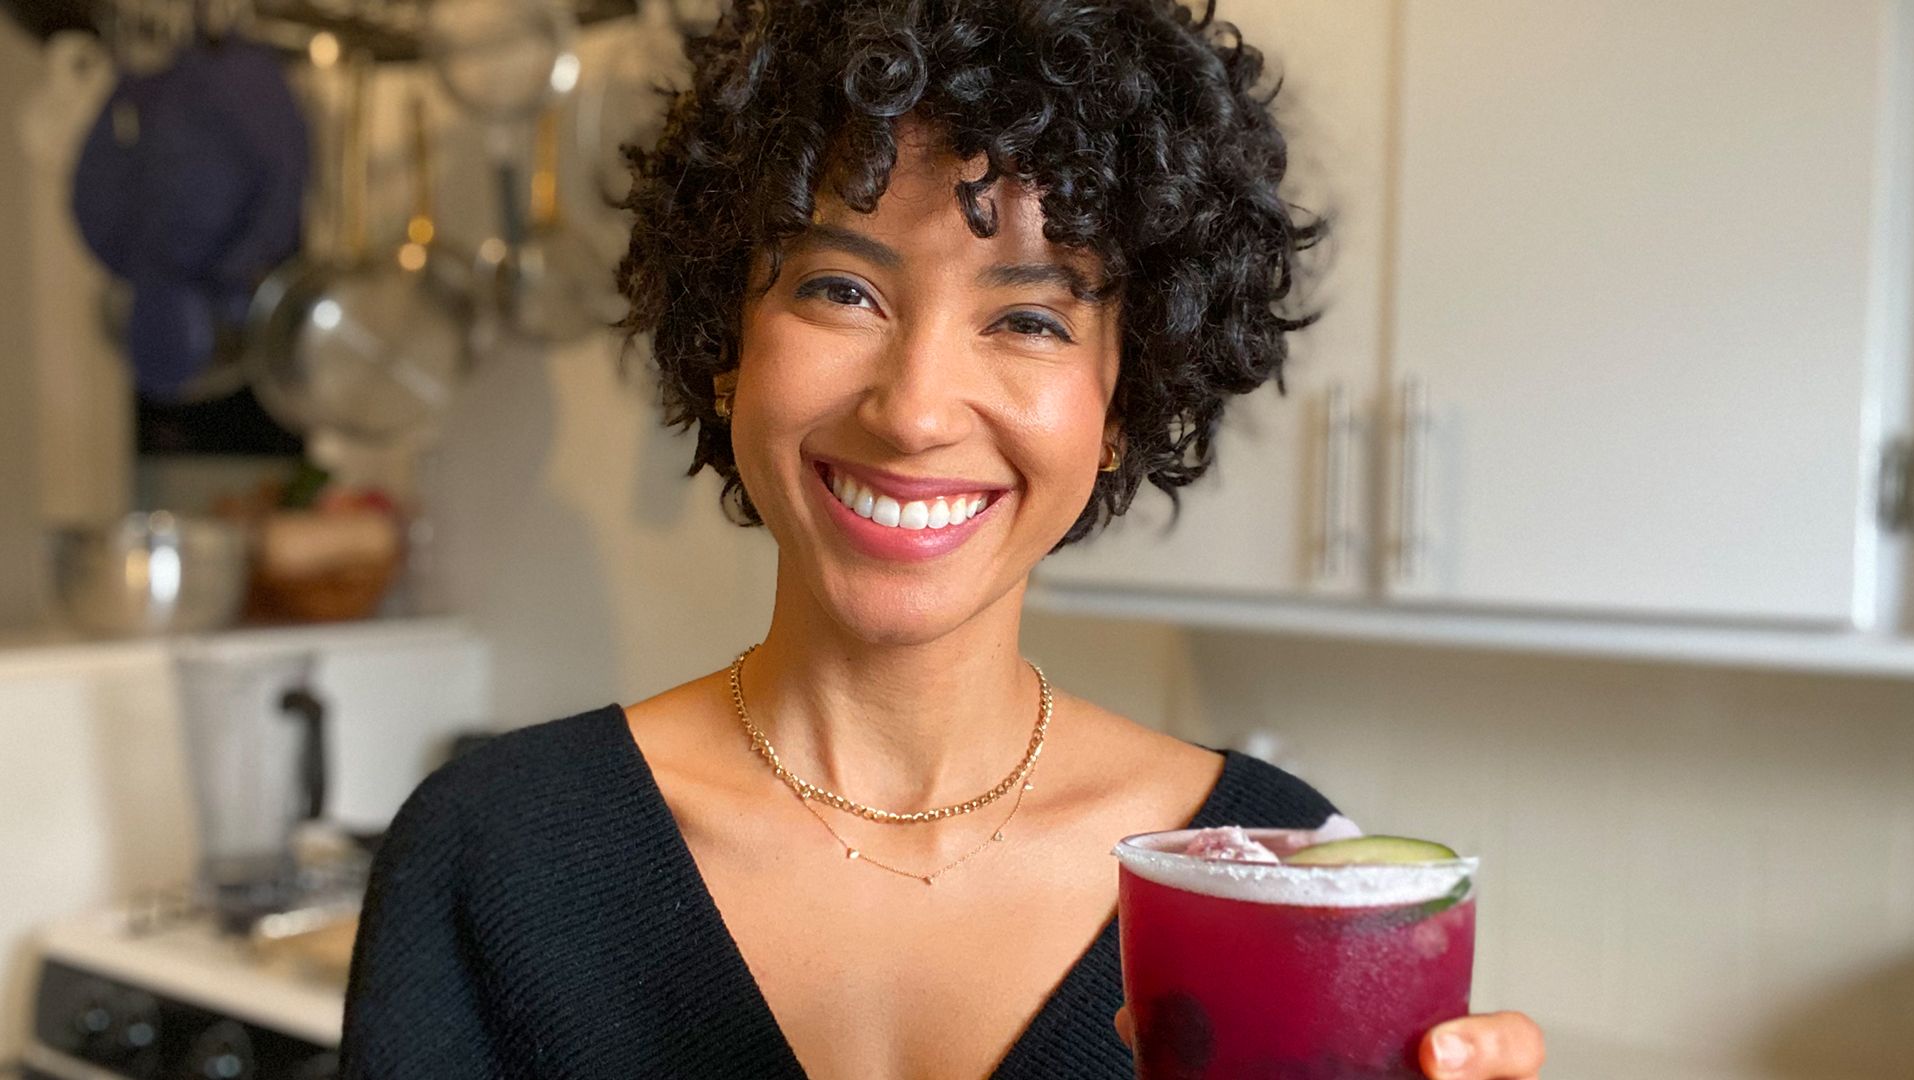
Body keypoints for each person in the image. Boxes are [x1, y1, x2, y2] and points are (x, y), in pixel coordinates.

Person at [341, 1, 1548, 1077]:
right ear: (728, 345)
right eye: (841, 290)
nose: (914, 409)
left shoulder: (1259, 880)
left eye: (1027, 316)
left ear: (1123, 407)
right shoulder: (493, 854)